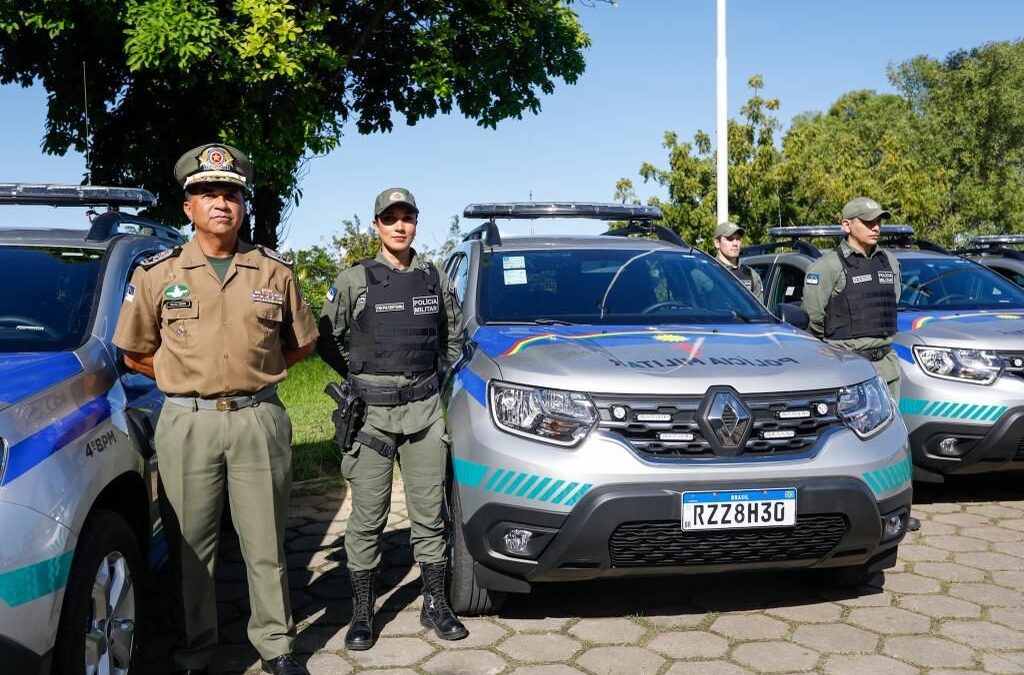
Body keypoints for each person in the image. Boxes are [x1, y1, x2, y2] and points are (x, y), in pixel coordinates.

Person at [113, 143, 318, 675]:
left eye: (229, 193)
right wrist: (185, 380)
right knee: (190, 545)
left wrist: (253, 379)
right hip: (188, 423)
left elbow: (301, 343)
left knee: (266, 540)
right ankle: (195, 649)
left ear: (243, 205)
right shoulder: (158, 274)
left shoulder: (273, 272)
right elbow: (134, 352)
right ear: (188, 207)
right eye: (207, 193)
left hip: (258, 419)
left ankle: (276, 645)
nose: (219, 202)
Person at [318, 187, 467, 650]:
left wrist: (435, 378)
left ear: (416, 223)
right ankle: (362, 613)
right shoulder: (353, 281)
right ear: (376, 226)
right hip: (372, 416)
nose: (400, 226)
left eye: (408, 217)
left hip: (424, 413)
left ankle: (434, 604)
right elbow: (326, 336)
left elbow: (454, 338)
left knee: (429, 515)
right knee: (367, 517)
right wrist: (357, 375)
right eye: (391, 218)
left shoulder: (433, 276)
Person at [801, 197, 901, 400]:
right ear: (847, 225)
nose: (876, 228)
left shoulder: (889, 261)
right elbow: (813, 319)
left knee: (891, 430)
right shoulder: (828, 266)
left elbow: (893, 302)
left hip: (887, 369)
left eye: (878, 222)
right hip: (848, 368)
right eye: (867, 222)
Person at [713, 221, 764, 302]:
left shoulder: (751, 275)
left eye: (738, 239)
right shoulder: (707, 271)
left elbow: (760, 312)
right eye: (730, 239)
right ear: (717, 243)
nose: (735, 243)